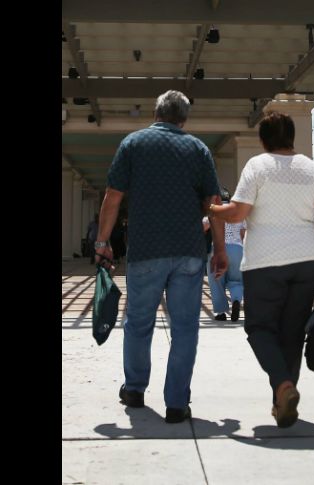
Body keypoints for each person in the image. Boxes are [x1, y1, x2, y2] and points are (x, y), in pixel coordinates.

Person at [94, 90, 227, 424]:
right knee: (185, 328)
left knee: (138, 323)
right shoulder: (198, 149)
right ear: (184, 118)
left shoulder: (133, 144)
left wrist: (102, 241)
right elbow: (213, 203)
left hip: (146, 251)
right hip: (188, 252)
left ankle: (135, 389)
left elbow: (113, 196)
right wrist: (220, 249)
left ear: (156, 113)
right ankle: (177, 404)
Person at [209, 111, 314, 428]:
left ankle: (282, 385)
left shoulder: (258, 166)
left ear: (264, 140)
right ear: (291, 137)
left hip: (265, 262)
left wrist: (209, 208)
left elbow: (237, 214)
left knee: (259, 328)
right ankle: (282, 402)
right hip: (308, 260)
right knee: (293, 332)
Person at [203, 188, 246, 322]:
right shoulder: (237, 213)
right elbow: (243, 234)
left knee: (216, 280)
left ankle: (221, 312)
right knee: (236, 280)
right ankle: (236, 300)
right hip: (237, 249)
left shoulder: (214, 211)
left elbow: (203, 227)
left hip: (217, 249)